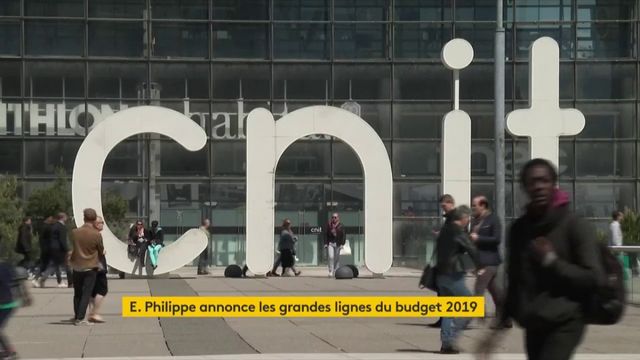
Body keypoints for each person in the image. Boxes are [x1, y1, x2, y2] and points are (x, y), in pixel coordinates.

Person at [477, 158, 605, 360]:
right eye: (532, 182)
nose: (538, 187)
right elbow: (515, 282)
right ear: (525, 188)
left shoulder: (574, 226)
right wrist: (497, 329)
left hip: (567, 321)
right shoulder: (520, 230)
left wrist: (552, 262)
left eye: (544, 181)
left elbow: (594, 278)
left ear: (553, 184)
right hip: (534, 322)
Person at [435, 205, 478, 354]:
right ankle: (451, 338)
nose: (469, 221)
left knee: (448, 309)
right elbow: (471, 249)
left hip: (441, 275)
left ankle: (446, 344)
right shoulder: (459, 231)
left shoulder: (444, 230)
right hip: (453, 275)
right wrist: (480, 265)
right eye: (468, 218)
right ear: (464, 218)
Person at [469, 196, 510, 328]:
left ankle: (477, 317)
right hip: (480, 261)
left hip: (490, 261)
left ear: (483, 206)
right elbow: (471, 238)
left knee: (478, 289)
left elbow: (496, 239)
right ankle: (506, 317)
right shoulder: (475, 220)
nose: (473, 208)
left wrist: (479, 238)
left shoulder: (493, 219)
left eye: (475, 205)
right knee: (495, 291)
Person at [70, 208, 104, 326]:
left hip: (77, 266)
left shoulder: (75, 232)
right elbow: (101, 250)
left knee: (77, 293)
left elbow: (74, 247)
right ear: (94, 219)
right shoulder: (96, 235)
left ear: (84, 218)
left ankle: (76, 316)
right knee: (86, 293)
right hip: (90, 266)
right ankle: (80, 318)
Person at [429, 194, 457, 329]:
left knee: (447, 291)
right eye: (442, 207)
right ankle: (443, 318)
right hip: (444, 260)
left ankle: (448, 319)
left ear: (450, 203)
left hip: (451, 261)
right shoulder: (449, 219)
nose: (443, 209)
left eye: (444, 206)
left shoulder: (455, 218)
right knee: (442, 291)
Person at [0, 262, 32, 360]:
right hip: (10, 302)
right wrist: (26, 296)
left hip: (5, 303)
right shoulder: (6, 266)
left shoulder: (4, 267)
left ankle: (10, 352)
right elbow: (19, 280)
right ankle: (9, 351)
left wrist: (26, 296)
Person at [36, 213, 71, 288]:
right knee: (63, 265)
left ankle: (47, 278)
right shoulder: (62, 227)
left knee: (55, 265)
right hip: (59, 249)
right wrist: (67, 249)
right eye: (65, 217)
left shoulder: (54, 226)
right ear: (62, 218)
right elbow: (62, 239)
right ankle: (70, 282)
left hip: (52, 248)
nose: (67, 218)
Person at [88, 216, 107, 323]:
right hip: (98, 266)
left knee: (92, 291)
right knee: (102, 290)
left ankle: (92, 312)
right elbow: (100, 250)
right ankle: (94, 313)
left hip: (89, 266)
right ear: (95, 224)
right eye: (101, 222)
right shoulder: (97, 235)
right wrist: (103, 252)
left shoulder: (88, 234)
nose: (102, 224)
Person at [324, 213, 346, 277]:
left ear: (338, 218)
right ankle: (330, 271)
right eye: (333, 217)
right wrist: (325, 243)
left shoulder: (341, 225)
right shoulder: (329, 225)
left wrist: (342, 243)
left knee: (336, 258)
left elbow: (343, 235)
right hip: (330, 243)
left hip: (338, 243)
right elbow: (325, 234)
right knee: (331, 257)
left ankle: (336, 270)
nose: (334, 218)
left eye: (335, 217)